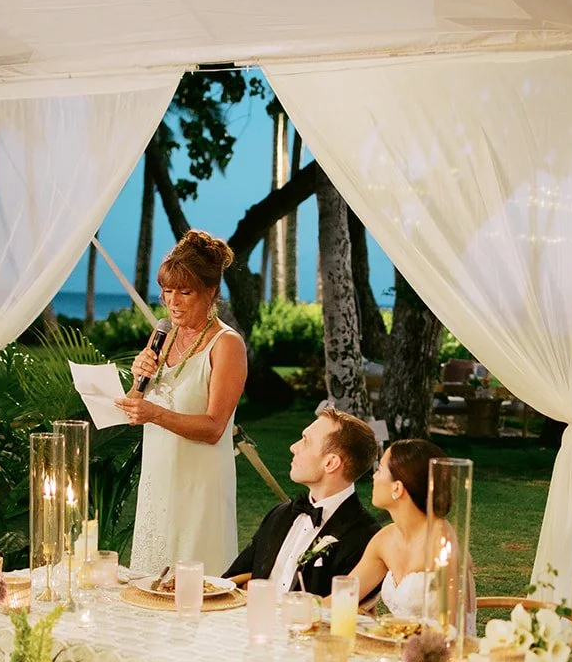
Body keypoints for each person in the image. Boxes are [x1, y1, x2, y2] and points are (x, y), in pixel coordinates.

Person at [118, 230, 247, 577]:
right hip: (158, 482)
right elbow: (135, 409)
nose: (172, 302)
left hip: (199, 487)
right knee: (150, 586)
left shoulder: (226, 345)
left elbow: (214, 427)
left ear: (212, 291)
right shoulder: (165, 334)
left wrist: (155, 413)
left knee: (195, 588)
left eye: (184, 292)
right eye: (167, 291)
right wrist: (137, 381)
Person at [225, 408, 379, 593]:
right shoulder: (280, 515)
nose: (293, 447)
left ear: (330, 463)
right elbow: (231, 578)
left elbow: (340, 609)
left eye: (305, 441)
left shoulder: (364, 536)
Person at [352, 438, 476, 630]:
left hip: (439, 652)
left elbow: (449, 628)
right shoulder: (385, 539)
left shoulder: (442, 540)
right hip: (399, 648)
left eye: (380, 469)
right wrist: (300, 607)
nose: (374, 477)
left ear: (397, 488)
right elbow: (345, 594)